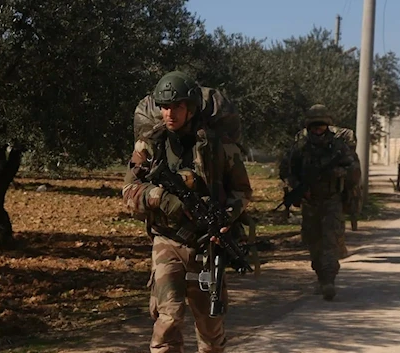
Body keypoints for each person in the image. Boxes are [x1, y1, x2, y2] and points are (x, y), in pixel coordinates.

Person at [122, 71, 252, 353]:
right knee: (168, 318)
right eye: (164, 107)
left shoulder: (219, 147)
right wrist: (162, 198)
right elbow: (129, 193)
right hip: (167, 240)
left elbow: (243, 191)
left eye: (177, 106)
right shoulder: (149, 146)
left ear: (190, 108)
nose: (169, 113)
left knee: (210, 328)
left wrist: (227, 217)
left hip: (208, 245)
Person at [283, 104, 360, 301]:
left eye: (322, 126)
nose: (318, 130)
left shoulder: (338, 146)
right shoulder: (300, 147)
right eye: (315, 126)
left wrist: (338, 172)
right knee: (313, 241)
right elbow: (287, 171)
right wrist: (298, 187)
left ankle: (328, 280)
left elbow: (353, 170)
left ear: (328, 126)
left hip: (331, 200)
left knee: (330, 241)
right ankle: (320, 275)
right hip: (310, 202)